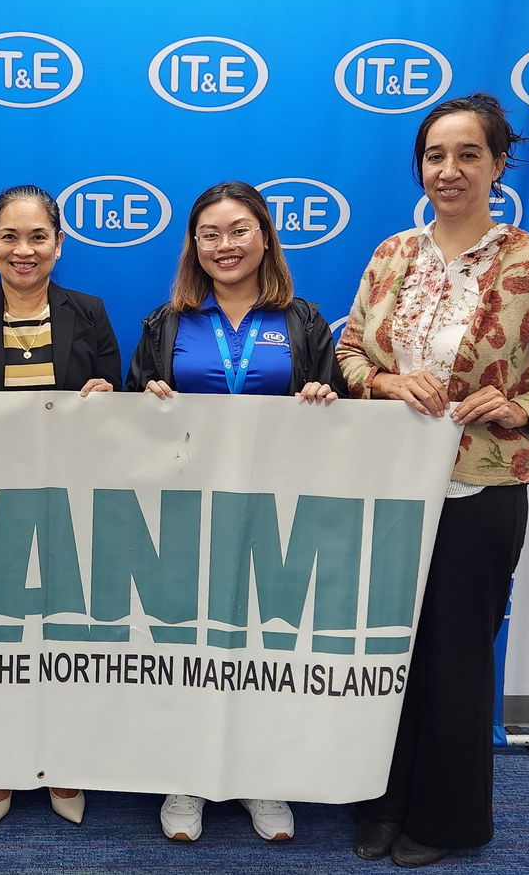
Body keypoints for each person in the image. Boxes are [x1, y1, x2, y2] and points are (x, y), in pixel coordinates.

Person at [335, 93, 529, 868]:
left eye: (467, 155)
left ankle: (448, 821)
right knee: (385, 652)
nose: (448, 170)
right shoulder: (392, 254)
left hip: (481, 490)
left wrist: (523, 409)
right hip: (389, 487)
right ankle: (381, 800)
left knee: (455, 656)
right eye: (434, 156)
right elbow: (350, 353)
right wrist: (386, 383)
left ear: (498, 164)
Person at [127, 180, 340, 843]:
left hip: (276, 513)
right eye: (210, 234)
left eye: (239, 230)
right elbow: (126, 426)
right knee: (188, 646)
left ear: (265, 238)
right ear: (194, 246)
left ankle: (260, 777)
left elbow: (341, 417)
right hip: (186, 515)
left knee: (265, 647)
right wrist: (146, 402)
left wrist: (323, 398)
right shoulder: (166, 323)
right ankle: (186, 776)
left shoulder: (303, 321)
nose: (225, 245)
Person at [0, 184, 121, 828]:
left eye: (38, 236)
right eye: (9, 237)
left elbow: (117, 405)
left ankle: (64, 760)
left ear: (58, 244)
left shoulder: (89, 311)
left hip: (73, 505)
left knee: (68, 635)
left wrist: (106, 397)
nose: (24, 250)